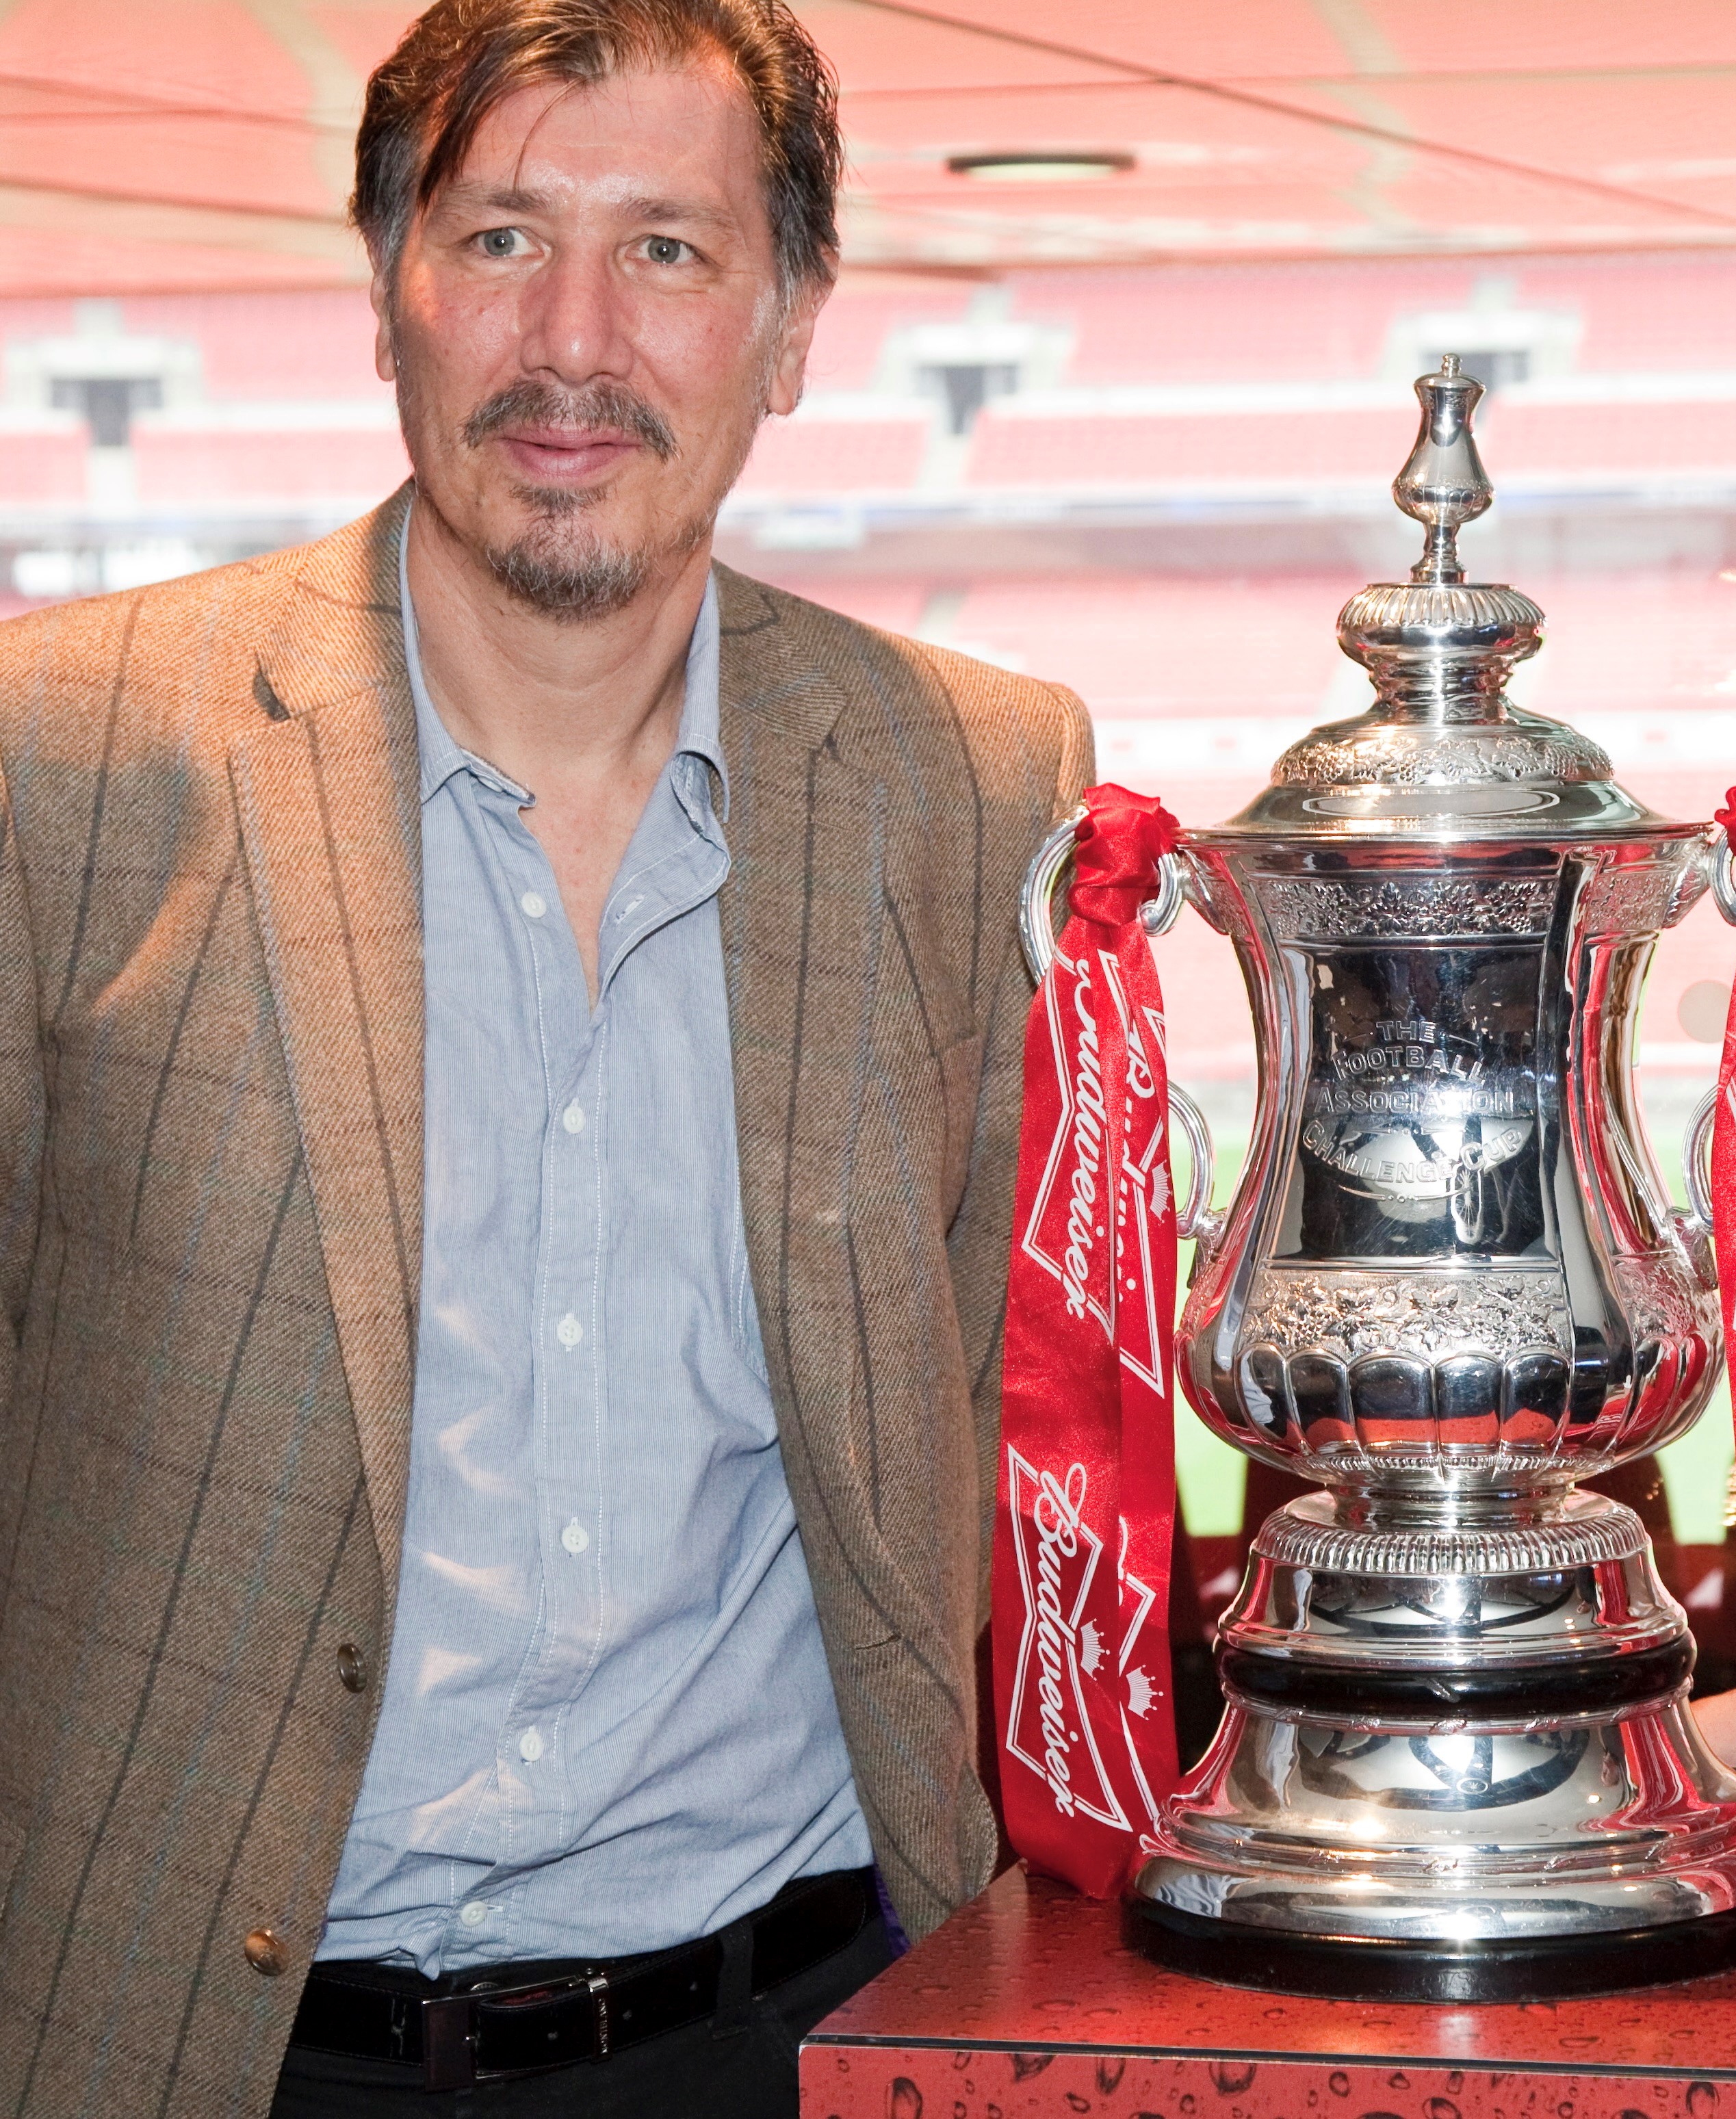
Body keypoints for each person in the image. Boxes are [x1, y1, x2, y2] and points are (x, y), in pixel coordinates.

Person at [0, 3, 1092, 2112]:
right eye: (500, 238)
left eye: (669, 251)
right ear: (389, 294)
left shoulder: (977, 781)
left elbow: (987, 1391)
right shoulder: (63, 757)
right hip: (200, 2047)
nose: (572, 343)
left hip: (782, 2031)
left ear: (786, 329)